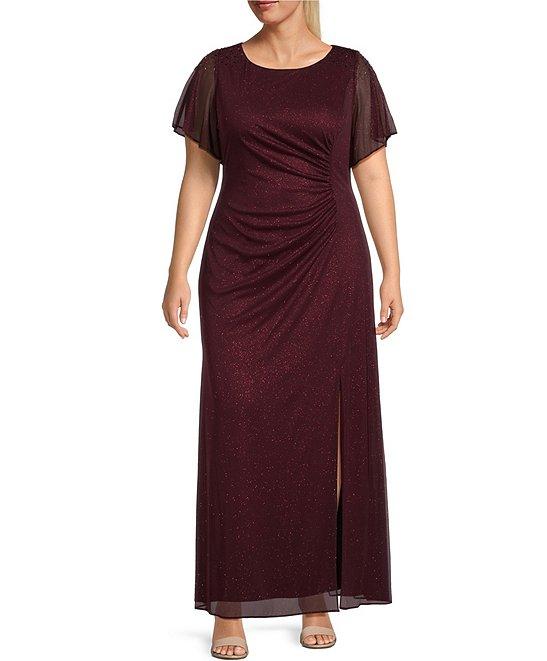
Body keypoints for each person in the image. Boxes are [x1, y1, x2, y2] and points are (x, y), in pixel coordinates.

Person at [162, 1, 403, 658]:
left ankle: (314, 591)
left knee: (321, 431)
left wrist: (392, 269)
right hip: (239, 268)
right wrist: (178, 268)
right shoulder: (217, 72)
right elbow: (200, 173)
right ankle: (230, 601)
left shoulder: (351, 72)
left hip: (328, 262)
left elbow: (371, 170)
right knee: (236, 423)